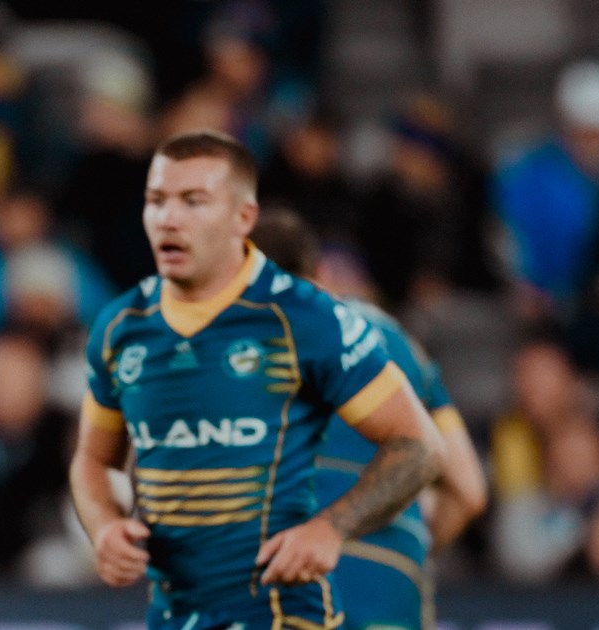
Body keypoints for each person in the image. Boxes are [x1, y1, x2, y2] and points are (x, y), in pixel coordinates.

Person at [68, 131, 444, 630]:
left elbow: (419, 445)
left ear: (243, 218)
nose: (169, 219)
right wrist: (105, 525)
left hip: (281, 614)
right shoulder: (121, 328)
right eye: (156, 201)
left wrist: (330, 528)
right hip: (175, 617)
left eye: (193, 201)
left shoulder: (305, 320)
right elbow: (95, 460)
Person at [251, 209, 488, 628]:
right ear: (321, 274)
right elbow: (469, 491)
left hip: (276, 581)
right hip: (389, 582)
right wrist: (408, 545)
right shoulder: (398, 343)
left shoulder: (221, 348)